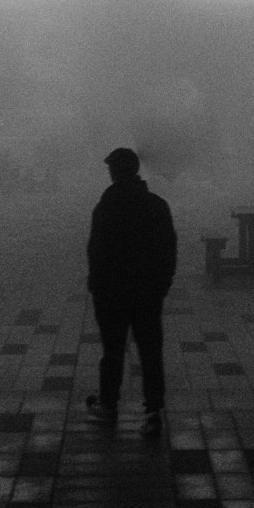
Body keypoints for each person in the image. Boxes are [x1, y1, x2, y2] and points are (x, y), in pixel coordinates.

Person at [85, 146, 177, 436]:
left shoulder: (107, 207)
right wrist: (162, 283)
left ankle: (109, 404)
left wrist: (97, 287)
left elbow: (96, 253)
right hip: (147, 292)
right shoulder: (156, 205)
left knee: (113, 351)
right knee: (150, 351)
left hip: (113, 292)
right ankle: (152, 410)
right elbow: (168, 249)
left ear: (115, 172)